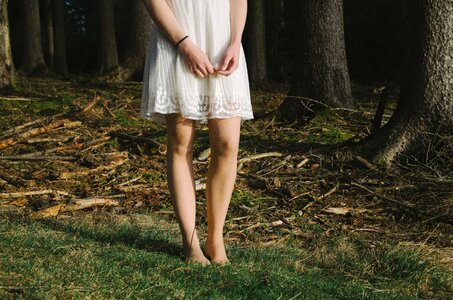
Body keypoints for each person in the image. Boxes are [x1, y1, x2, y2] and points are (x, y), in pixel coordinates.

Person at [140, 0, 253, 265]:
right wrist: (185, 45)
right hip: (178, 39)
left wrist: (235, 40)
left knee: (227, 145)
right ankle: (190, 243)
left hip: (222, 40)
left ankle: (216, 240)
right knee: (181, 144)